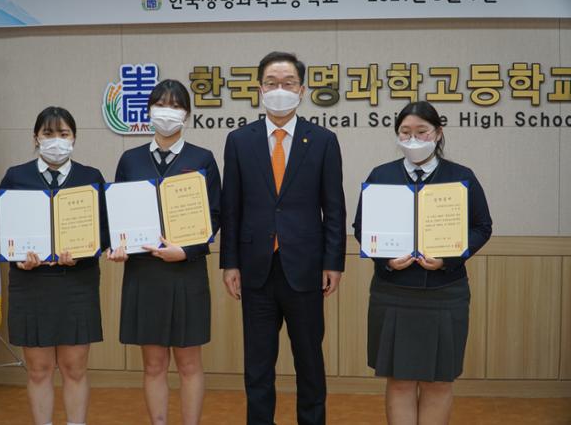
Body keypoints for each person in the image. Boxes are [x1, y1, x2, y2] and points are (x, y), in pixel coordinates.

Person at [220, 51, 346, 425]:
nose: (280, 90)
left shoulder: (323, 140)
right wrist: (229, 262)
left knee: (309, 361)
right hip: (255, 270)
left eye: (288, 83)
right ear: (259, 89)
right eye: (272, 83)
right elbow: (231, 208)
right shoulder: (239, 140)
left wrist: (332, 262)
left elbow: (334, 207)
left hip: (305, 270)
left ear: (302, 90)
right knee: (258, 366)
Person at [353, 101, 492, 425]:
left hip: (445, 291)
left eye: (421, 132)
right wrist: (387, 259)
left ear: (437, 133)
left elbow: (482, 226)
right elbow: (362, 227)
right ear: (397, 135)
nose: (412, 139)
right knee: (399, 379)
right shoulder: (381, 175)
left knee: (439, 380)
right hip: (394, 291)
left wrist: (449, 257)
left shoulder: (460, 176)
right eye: (405, 132)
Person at [107, 79, 221, 425]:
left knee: (189, 364)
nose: (166, 112)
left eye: (175, 106)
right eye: (160, 105)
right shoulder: (130, 159)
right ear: (149, 111)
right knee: (153, 364)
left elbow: (216, 214)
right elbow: (118, 212)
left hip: (187, 272)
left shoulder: (203, 158)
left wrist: (187, 251)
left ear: (186, 114)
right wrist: (118, 245)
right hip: (144, 274)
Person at [0, 106, 108, 425]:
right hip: (32, 284)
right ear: (35, 138)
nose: (56, 140)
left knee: (75, 368)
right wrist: (18, 257)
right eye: (48, 133)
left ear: (74, 138)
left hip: (77, 282)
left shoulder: (90, 177)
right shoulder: (16, 176)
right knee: (39, 370)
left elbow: (105, 230)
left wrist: (84, 251)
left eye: (63, 134)